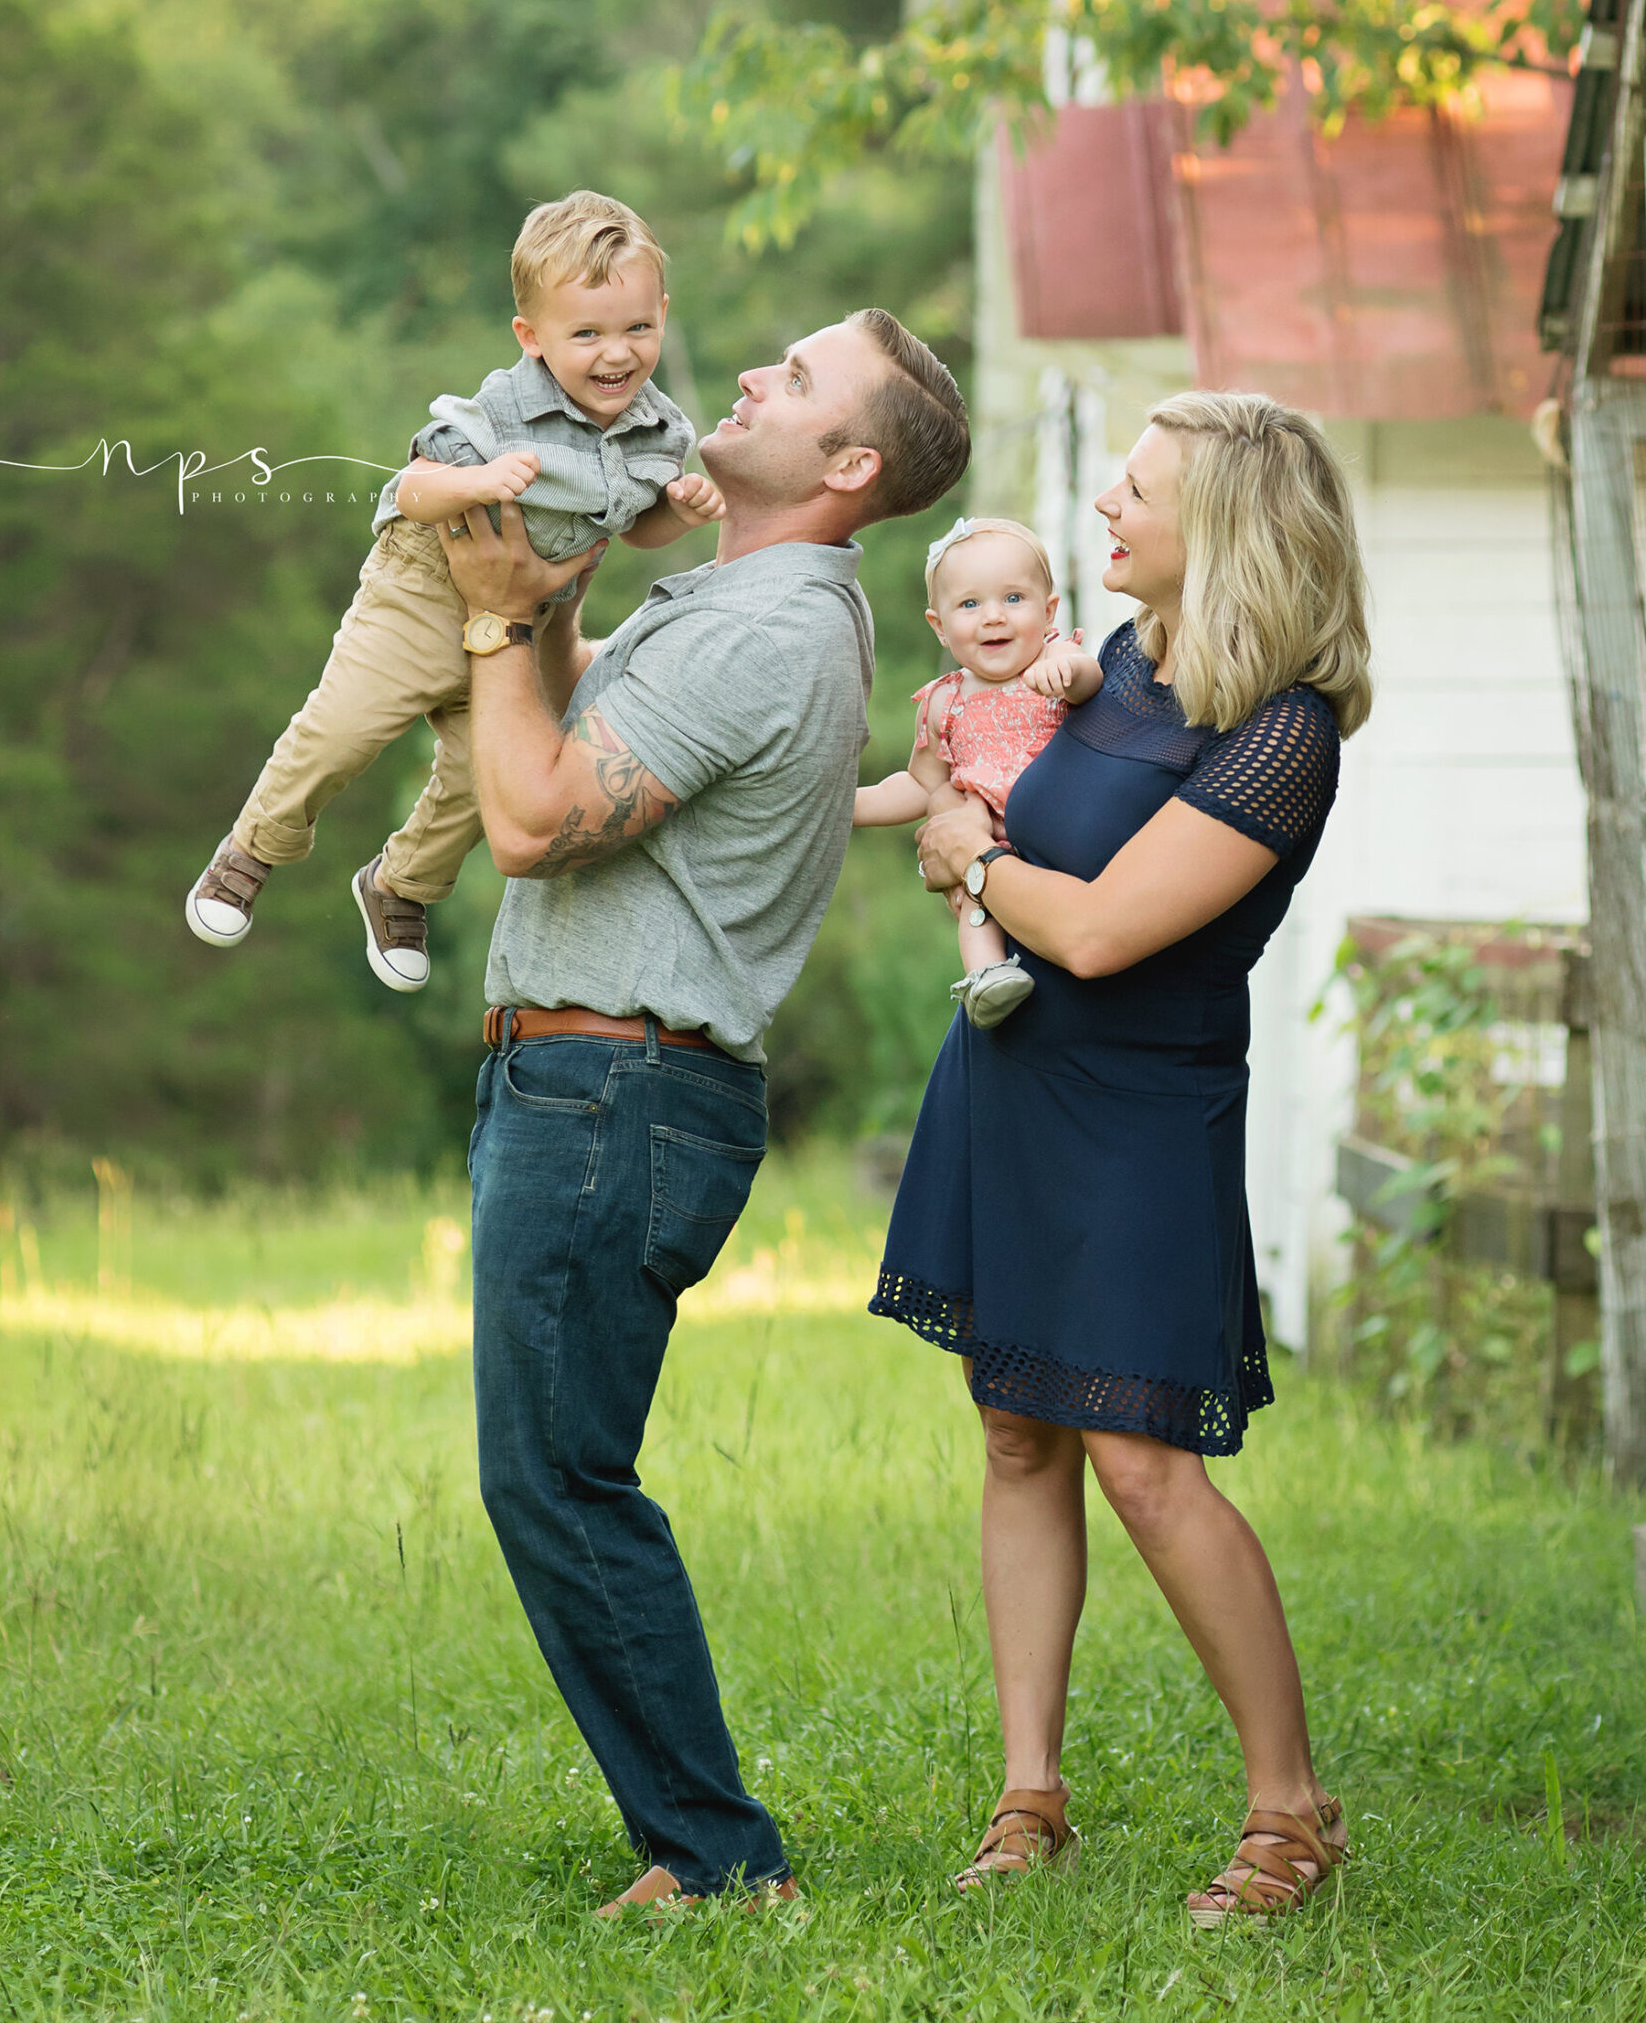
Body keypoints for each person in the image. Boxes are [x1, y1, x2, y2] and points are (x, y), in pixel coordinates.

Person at [442, 307, 968, 1911]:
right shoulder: (739, 596)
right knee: (556, 1469)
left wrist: (479, 626)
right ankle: (700, 1846)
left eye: (795, 380)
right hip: (592, 1079)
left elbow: (531, 814)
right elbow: (578, 702)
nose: (747, 374)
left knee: (559, 1477)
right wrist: (546, 593)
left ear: (849, 463)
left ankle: (720, 1862)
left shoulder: (772, 630)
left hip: (618, 1092)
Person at [874, 392, 1371, 1925]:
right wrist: (940, 789)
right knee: (1018, 1431)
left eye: (1135, 492)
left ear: (1216, 526)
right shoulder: (1122, 665)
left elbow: (1091, 928)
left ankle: (1290, 1812)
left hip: (1141, 1113)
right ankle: (1030, 1796)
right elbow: (998, 783)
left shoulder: (1280, 733)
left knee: (1146, 1462)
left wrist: (971, 856)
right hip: (1009, 1083)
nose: (1104, 511)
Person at [183, 192, 723, 991]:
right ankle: (253, 848)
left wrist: (676, 515)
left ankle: (400, 885)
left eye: (637, 328)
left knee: (490, 778)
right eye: (586, 334)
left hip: (522, 620)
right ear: (531, 338)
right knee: (344, 730)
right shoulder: (504, 407)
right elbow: (411, 489)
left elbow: (633, 525)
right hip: (426, 588)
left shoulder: (660, 431)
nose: (616, 355)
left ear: (663, 314)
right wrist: (477, 477)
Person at [853, 516, 1099, 1027]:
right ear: (939, 625)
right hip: (990, 846)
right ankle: (986, 976)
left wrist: (1068, 672)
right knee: (973, 898)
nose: (993, 618)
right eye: (970, 604)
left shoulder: (1054, 659)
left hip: (1065, 841)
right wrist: (848, 806)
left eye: (1014, 599)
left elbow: (1088, 683)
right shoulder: (944, 702)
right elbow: (923, 784)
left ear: (1048, 609)